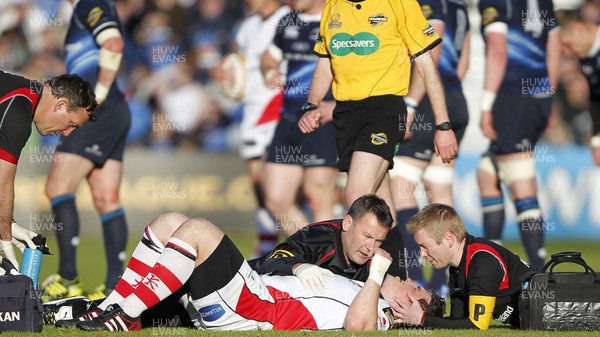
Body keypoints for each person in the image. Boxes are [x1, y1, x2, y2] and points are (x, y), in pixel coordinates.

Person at [53, 211, 444, 331]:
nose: (412, 283)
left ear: (410, 310)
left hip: (255, 305)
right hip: (251, 290)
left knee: (199, 230)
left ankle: (124, 313)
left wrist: (377, 278)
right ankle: (114, 309)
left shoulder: (377, 311)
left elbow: (357, 329)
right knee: (171, 219)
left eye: (416, 293)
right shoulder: (356, 274)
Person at [297, 0, 459, 279]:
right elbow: (325, 62)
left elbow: (426, 64)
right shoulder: (332, 7)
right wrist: (312, 104)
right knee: (384, 207)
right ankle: (403, 284)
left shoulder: (399, 4)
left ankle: (353, 279)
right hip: (346, 114)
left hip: (385, 110)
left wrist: (443, 125)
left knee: (357, 196)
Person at [42, 0, 132, 302]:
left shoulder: (90, 3)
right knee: (106, 198)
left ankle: (68, 279)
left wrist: (100, 94)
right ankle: (113, 287)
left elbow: (114, 42)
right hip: (115, 111)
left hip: (96, 112)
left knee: (57, 187)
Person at [390, 0, 470, 291]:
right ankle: (451, 278)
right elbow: (463, 61)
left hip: (427, 104)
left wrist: (411, 104)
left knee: (401, 184)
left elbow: (430, 52)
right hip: (455, 100)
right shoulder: (459, 6)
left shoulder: (426, 4)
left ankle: (418, 274)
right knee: (440, 189)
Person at [476, 0, 560, 271]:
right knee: (487, 172)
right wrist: (549, 94)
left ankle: (537, 270)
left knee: (520, 181)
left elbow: (498, 51)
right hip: (538, 95)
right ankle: (493, 255)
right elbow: (554, 45)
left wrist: (486, 104)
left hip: (511, 97)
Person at [212, 0, 289, 256]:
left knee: (277, 187)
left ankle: (307, 244)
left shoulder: (288, 17)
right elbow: (233, 60)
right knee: (259, 185)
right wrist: (224, 72)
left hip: (276, 108)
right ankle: (266, 246)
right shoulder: (248, 25)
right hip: (251, 110)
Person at [0, 70, 97, 272]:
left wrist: (9, 223)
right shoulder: (18, 114)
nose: (67, 133)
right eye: (71, 125)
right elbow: (2, 183)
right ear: (60, 105)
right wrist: (5, 237)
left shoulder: (21, 95)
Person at [259, 0, 339, 236]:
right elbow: (269, 58)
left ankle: (329, 267)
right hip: (289, 119)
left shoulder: (340, 20)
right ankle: (314, 253)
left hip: (323, 120)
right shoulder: (288, 21)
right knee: (276, 198)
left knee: (318, 196)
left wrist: (335, 107)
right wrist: (269, 71)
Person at [393, 203, 532, 330]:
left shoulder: (482, 261)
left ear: (449, 239)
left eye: (425, 246)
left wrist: (422, 319)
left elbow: (478, 324)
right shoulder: (457, 268)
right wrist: (412, 320)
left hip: (551, 316)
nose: (422, 254)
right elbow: (457, 321)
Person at [250, 194, 393, 293]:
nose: (371, 247)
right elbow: (272, 260)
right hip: (245, 283)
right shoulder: (317, 237)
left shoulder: (379, 257)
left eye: (379, 240)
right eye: (366, 236)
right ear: (347, 223)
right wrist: (298, 267)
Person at [555, 8, 600, 165]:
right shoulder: (587, 62)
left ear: (578, 29)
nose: (567, 53)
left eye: (566, 45)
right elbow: (596, 100)